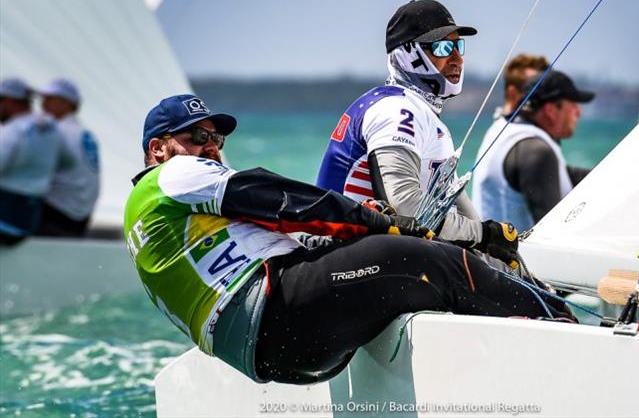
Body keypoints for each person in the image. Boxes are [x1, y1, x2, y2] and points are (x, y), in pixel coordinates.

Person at [126, 94, 570, 386]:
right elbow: (282, 198)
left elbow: (283, 232)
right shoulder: (173, 176)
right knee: (431, 260)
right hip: (282, 316)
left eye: (216, 137)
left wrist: (358, 228)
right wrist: (381, 225)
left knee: (402, 275)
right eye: (197, 137)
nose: (212, 147)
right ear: (158, 150)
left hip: (264, 353)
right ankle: (567, 332)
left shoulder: (154, 214)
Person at [316, 0, 518, 267]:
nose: (457, 57)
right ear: (407, 53)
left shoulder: (420, 114)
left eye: (459, 45)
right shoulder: (397, 110)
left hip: (375, 256)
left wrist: (498, 250)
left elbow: (467, 220)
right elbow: (406, 207)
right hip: (342, 260)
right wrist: (484, 235)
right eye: (443, 47)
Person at [473, 68, 595, 231]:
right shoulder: (536, 152)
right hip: (511, 256)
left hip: (486, 253)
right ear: (551, 110)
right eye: (573, 104)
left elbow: (562, 174)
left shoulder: (504, 128)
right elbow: (550, 232)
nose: (578, 112)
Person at [0, 78, 71, 244]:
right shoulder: (51, 126)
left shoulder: (12, 131)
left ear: (10, 101)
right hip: (31, 216)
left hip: (5, 213)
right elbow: (69, 161)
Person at [35, 79, 100, 237]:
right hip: (81, 218)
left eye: (50, 99)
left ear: (67, 103)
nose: (43, 104)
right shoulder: (86, 134)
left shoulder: (55, 131)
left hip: (55, 217)